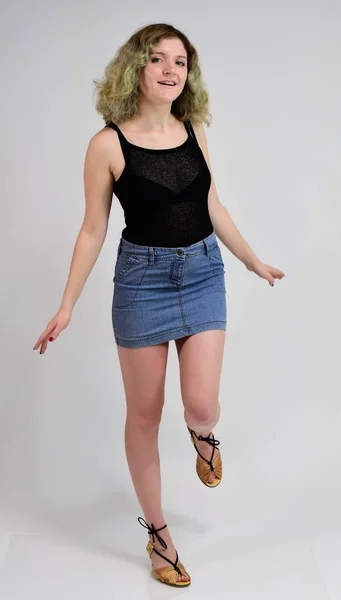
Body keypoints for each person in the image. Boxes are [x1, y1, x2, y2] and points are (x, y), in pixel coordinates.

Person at [33, 22, 285, 588]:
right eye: (159, 60)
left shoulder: (193, 128)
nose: (172, 70)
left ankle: (203, 434)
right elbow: (94, 229)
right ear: (136, 69)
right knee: (144, 418)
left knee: (201, 403)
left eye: (181, 61)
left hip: (202, 273)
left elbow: (212, 204)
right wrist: (68, 304)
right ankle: (160, 537)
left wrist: (251, 260)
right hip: (141, 284)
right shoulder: (106, 144)